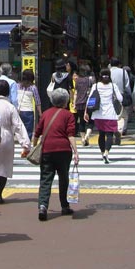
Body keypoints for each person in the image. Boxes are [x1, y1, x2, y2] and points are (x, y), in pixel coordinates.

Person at [34, 87, 79, 220]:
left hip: (47, 149)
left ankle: (43, 206)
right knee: (63, 178)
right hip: (64, 151)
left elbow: (37, 132)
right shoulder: (68, 115)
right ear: (66, 101)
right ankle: (64, 206)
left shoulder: (46, 114)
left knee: (45, 179)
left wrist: (33, 147)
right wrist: (76, 151)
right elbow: (70, 135)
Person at [0, 80, 30, 204]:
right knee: (4, 166)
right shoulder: (10, 107)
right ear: (8, 92)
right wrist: (25, 144)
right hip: (6, 136)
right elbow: (18, 125)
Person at [84, 67, 119, 163]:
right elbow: (120, 98)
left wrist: (86, 112)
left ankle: (102, 152)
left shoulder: (95, 86)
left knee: (101, 134)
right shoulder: (113, 86)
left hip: (98, 114)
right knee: (110, 134)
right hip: (110, 113)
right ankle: (106, 152)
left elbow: (89, 100)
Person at [109, 58, 133, 144]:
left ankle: (110, 134)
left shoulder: (108, 71)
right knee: (122, 116)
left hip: (109, 96)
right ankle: (119, 131)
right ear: (119, 64)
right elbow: (127, 86)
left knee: (110, 115)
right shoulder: (123, 72)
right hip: (121, 96)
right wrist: (130, 96)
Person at [74, 63, 95, 147]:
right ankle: (87, 136)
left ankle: (83, 139)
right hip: (89, 102)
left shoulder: (77, 80)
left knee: (81, 122)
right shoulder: (90, 79)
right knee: (91, 120)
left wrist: (75, 103)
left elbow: (75, 93)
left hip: (79, 103)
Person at [17, 69, 42, 138]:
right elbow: (37, 101)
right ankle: (27, 145)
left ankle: (22, 143)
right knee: (28, 131)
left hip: (18, 110)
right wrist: (40, 113)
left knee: (19, 129)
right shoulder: (33, 88)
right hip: (28, 111)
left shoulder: (17, 86)